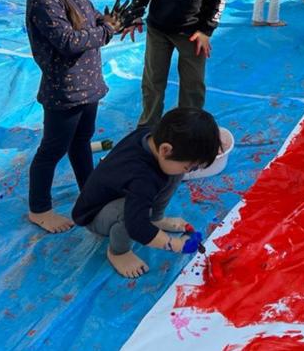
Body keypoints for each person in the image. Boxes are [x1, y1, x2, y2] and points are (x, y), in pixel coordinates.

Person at [25, 0, 122, 233]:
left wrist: (114, 21)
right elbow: (68, 42)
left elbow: (94, 20)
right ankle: (39, 209)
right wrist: (106, 33)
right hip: (64, 93)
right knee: (51, 150)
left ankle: (90, 191)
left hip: (88, 88)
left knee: (81, 142)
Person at [72, 107, 221, 278]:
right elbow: (137, 227)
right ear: (165, 150)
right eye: (190, 166)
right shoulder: (142, 178)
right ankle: (118, 252)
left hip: (123, 192)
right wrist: (176, 244)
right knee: (132, 213)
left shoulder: (156, 137)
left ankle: (156, 219)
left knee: (175, 171)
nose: (191, 171)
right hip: (94, 214)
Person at [123, 0, 226, 128]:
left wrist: (206, 31)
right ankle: (148, 125)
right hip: (158, 30)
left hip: (193, 34)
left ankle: (188, 126)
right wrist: (135, 14)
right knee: (153, 80)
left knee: (193, 84)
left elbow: (217, 2)